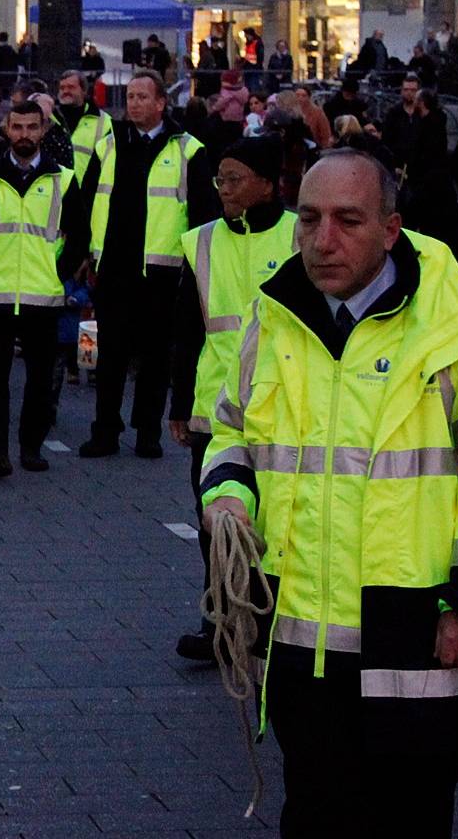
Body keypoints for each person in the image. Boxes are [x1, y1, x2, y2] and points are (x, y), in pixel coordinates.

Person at [201, 150, 458, 836]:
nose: (322, 240)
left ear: (391, 230)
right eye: (309, 219)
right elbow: (230, 431)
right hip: (300, 641)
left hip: (413, 636)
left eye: (347, 221)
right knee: (313, 816)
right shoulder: (273, 320)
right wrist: (229, 491)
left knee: (408, 819)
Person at [164, 136, 293, 663]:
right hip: (215, 409)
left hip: (285, 406)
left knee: (277, 516)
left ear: (267, 183)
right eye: (220, 179)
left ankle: (272, 617)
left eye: (235, 178)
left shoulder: (298, 235)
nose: (224, 190)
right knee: (216, 517)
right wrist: (178, 406)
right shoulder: (200, 242)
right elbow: (186, 330)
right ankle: (220, 620)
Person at [67, 68, 215, 459]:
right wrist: (85, 253)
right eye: (130, 97)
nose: (133, 103)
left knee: (154, 356)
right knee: (110, 354)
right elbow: (86, 203)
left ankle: (148, 432)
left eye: (142, 97)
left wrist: (196, 268)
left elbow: (203, 216)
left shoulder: (188, 149)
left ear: (162, 103)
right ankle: (105, 431)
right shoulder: (109, 144)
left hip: (162, 272)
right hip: (114, 265)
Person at [0, 102, 77, 476]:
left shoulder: (64, 180)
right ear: (6, 129)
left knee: (40, 378)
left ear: (43, 130)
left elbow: (80, 234)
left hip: (43, 293)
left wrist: (60, 270)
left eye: (31, 127)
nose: (24, 134)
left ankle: (31, 447)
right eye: (17, 127)